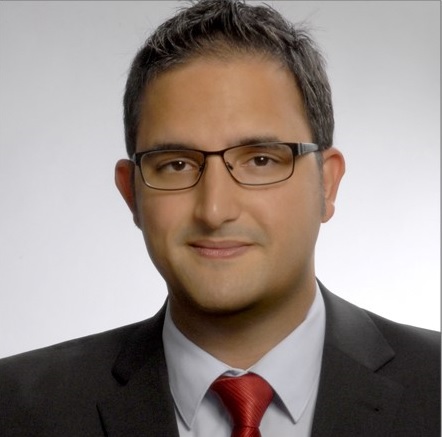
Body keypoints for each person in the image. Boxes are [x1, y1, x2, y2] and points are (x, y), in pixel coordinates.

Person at [0, 1, 439, 436]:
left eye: (261, 160)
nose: (214, 210)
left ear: (326, 184)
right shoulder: (16, 408)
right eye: (176, 165)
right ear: (131, 192)